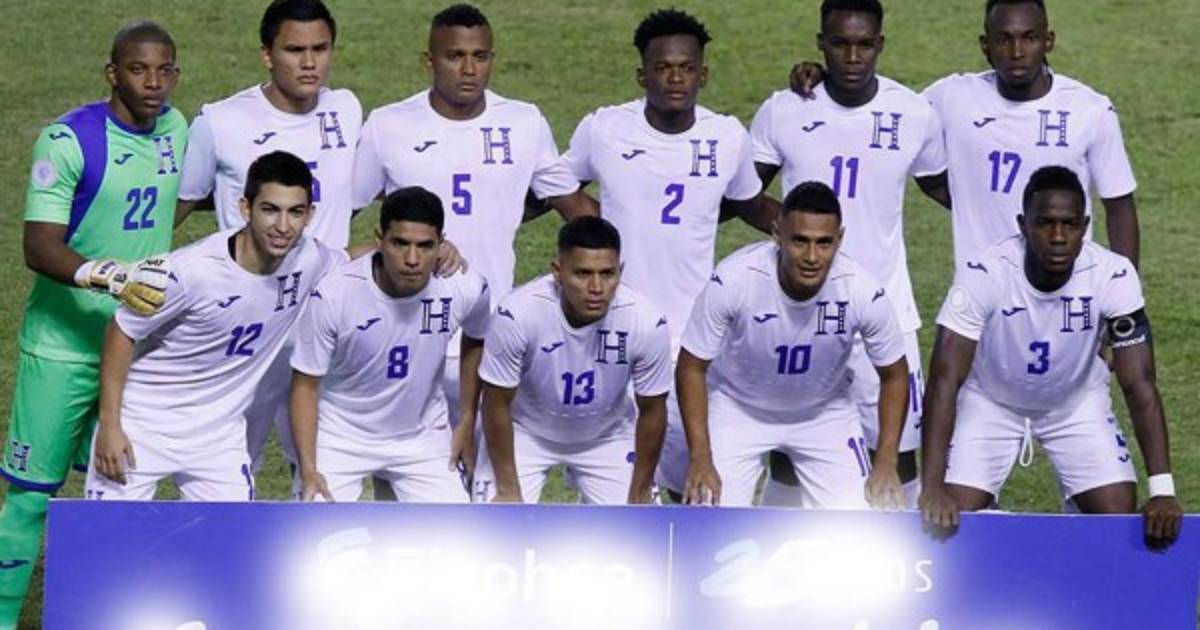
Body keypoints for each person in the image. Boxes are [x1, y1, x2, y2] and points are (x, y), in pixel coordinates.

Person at [0, 20, 186, 625]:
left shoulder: (177, 131)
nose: (153, 82)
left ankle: (104, 614)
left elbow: (172, 200)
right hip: (61, 351)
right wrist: (108, 275)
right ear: (112, 73)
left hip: (133, 350)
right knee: (31, 497)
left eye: (165, 70)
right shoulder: (69, 141)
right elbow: (38, 246)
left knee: (116, 492)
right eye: (138, 69)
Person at [352, 3, 597, 443]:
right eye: (455, 57)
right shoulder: (388, 126)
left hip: (491, 337)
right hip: (406, 336)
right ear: (429, 61)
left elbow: (575, 207)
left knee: (488, 471)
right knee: (401, 466)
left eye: (480, 57)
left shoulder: (522, 123)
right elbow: (341, 212)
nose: (469, 69)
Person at [560, 8, 770, 500]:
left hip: (688, 335)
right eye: (663, 68)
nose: (675, 78)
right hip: (609, 325)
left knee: (691, 480)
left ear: (703, 74)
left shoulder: (726, 136)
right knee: (615, 482)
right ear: (643, 75)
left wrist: (808, 230)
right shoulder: (604, 129)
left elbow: (751, 204)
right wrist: (593, 222)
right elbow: (556, 182)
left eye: (686, 68)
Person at [919, 166, 1181, 549]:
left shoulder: (1112, 275)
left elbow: (1139, 383)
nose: (1058, 237)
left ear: (1085, 226)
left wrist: (1162, 489)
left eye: (1070, 225)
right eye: (1045, 224)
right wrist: (931, 486)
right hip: (991, 402)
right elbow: (944, 378)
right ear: (1023, 225)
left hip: (1075, 404)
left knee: (1115, 515)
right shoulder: (985, 273)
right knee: (950, 514)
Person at [750, 0, 945, 508]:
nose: (853, 56)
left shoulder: (913, 114)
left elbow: (945, 187)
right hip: (800, 315)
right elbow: (743, 192)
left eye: (864, 45)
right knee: (790, 457)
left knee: (899, 456)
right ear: (821, 44)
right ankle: (778, 552)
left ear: (881, 44)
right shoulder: (786, 109)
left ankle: (901, 555)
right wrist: (791, 232)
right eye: (840, 44)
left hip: (887, 312)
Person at [791, 0, 1140, 268]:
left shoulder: (1090, 111)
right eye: (1003, 39)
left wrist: (1124, 297)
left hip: (1066, 288)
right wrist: (824, 77)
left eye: (1029, 38)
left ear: (1048, 41)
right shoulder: (953, 98)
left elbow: (1120, 208)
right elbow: (883, 109)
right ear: (985, 45)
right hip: (981, 294)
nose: (1017, 52)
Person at [85, 151, 346, 501]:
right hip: (144, 426)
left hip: (218, 438)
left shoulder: (310, 258)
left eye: (295, 212)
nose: (283, 226)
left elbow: (356, 261)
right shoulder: (190, 272)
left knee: (230, 535)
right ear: (245, 208)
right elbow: (122, 330)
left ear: (310, 215)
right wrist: (110, 425)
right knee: (108, 532)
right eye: (270, 210)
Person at [175, 0, 362, 472]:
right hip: (247, 321)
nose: (309, 62)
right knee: (231, 462)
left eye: (320, 49)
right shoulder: (220, 122)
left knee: (323, 465)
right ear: (267, 54)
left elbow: (347, 197)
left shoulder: (346, 109)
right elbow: (178, 206)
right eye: (295, 50)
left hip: (325, 316)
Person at [680, 181, 907, 508]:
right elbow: (691, 365)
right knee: (708, 512)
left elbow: (895, 375)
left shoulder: (861, 290)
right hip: (738, 409)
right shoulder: (734, 279)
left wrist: (886, 461)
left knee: (859, 521)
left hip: (823, 413)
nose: (812, 257)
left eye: (824, 243)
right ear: (777, 233)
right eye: (800, 241)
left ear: (839, 239)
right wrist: (701, 457)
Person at [291, 187, 489, 502]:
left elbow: (477, 337)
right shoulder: (334, 295)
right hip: (340, 436)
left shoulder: (465, 287)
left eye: (425, 246)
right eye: (400, 243)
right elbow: (305, 385)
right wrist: (309, 468)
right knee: (313, 525)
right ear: (379, 240)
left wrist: (465, 419)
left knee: (455, 529)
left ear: (441, 244)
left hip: (421, 437)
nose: (412, 259)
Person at [476, 216, 671, 504]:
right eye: (582, 274)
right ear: (558, 272)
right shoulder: (517, 314)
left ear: (621, 271)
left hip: (608, 436)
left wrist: (640, 491)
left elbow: (653, 409)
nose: (596, 287)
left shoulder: (645, 322)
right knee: (496, 523)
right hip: (525, 433)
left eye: (608, 274)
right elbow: (495, 402)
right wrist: (507, 489)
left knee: (640, 525)